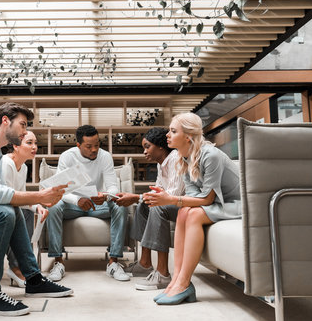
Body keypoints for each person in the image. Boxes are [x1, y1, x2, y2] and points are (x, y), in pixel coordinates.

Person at [0, 102, 73, 317]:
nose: (25, 131)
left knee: (11, 210)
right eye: (23, 124)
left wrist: (37, 200)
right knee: (5, 212)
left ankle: (33, 279)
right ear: (5, 121)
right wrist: (40, 196)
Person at [144, 112, 241, 305]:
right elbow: (191, 195)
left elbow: (206, 198)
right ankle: (176, 281)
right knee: (183, 212)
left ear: (188, 136)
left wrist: (170, 199)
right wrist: (175, 201)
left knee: (194, 214)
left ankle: (184, 282)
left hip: (235, 204)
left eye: (173, 131)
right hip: (215, 203)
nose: (167, 136)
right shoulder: (183, 158)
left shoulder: (210, 155)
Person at [46, 125, 130, 282]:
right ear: (78, 145)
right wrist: (77, 200)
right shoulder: (67, 157)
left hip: (97, 203)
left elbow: (112, 185)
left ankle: (113, 262)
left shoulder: (105, 157)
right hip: (73, 204)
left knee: (120, 205)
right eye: (89, 146)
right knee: (54, 206)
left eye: (97, 145)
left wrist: (105, 195)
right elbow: (59, 189)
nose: (94, 149)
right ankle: (58, 262)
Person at [115, 127, 185, 291]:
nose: (144, 151)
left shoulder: (176, 159)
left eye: (147, 147)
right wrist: (138, 198)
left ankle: (163, 274)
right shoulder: (162, 164)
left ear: (160, 146)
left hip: (185, 204)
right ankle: (145, 263)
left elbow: (173, 196)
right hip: (173, 202)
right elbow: (158, 192)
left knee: (156, 207)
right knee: (143, 206)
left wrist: (134, 197)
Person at [1, 130, 49, 288]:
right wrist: (38, 199)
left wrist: (37, 207)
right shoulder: (6, 163)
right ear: (15, 145)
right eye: (29, 143)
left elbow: (21, 197)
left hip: (11, 207)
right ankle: (16, 267)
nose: (34, 147)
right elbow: (8, 198)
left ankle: (21, 267)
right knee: (20, 213)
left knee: (27, 212)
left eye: (35, 143)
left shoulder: (23, 167)